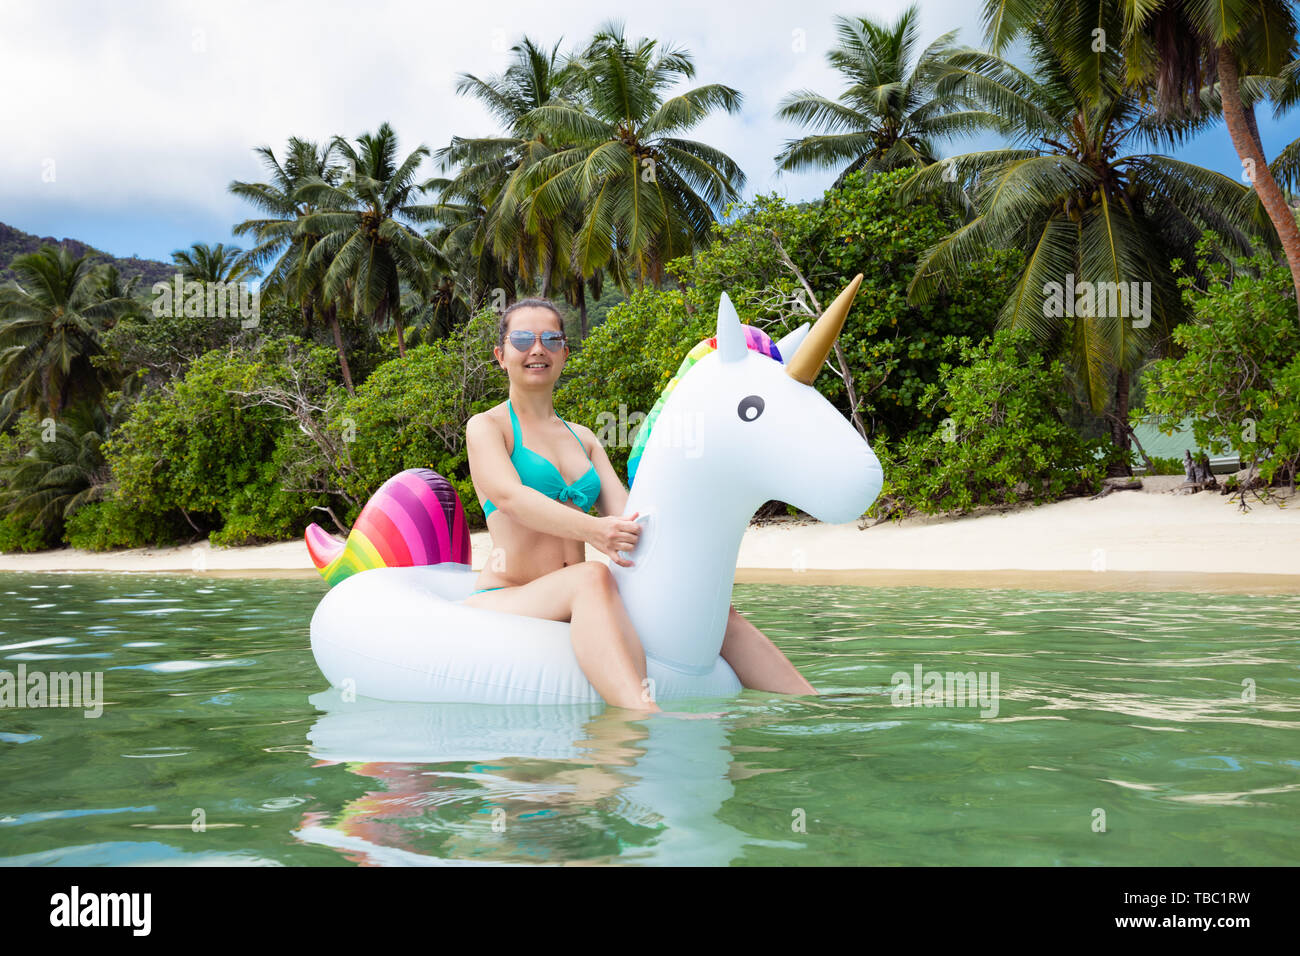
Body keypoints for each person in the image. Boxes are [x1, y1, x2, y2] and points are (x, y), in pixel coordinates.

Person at [462, 298, 818, 713]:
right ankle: (642, 715)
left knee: (713, 608)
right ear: (500, 355)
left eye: (551, 339)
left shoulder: (585, 438)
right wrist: (596, 532)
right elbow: (511, 498)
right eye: (522, 339)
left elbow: (631, 516)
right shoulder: (487, 427)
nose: (537, 349)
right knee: (591, 575)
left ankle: (813, 704)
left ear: (564, 353)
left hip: (579, 595)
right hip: (511, 593)